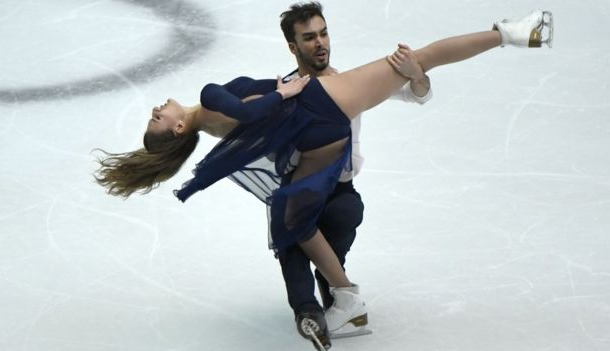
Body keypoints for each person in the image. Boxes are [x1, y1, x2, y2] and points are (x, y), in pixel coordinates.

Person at [94, 9, 553, 351]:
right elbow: (250, 109)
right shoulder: (208, 99)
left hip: (316, 136)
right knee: (425, 55)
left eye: (322, 33)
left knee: (294, 220)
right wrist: (283, 91)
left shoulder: (213, 132)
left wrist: (415, 83)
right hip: (316, 109)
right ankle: (513, 32)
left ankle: (347, 300)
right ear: (177, 129)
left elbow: (256, 121)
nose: (156, 109)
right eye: (157, 120)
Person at [276, 2, 433, 348]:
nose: (320, 43)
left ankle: (336, 299)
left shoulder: (349, 83)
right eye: (309, 37)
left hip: (341, 194)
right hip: (300, 190)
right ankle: (308, 313)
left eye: (323, 33)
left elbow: (417, 95)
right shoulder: (284, 91)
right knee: (290, 239)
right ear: (293, 46)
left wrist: (416, 72)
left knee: (342, 221)